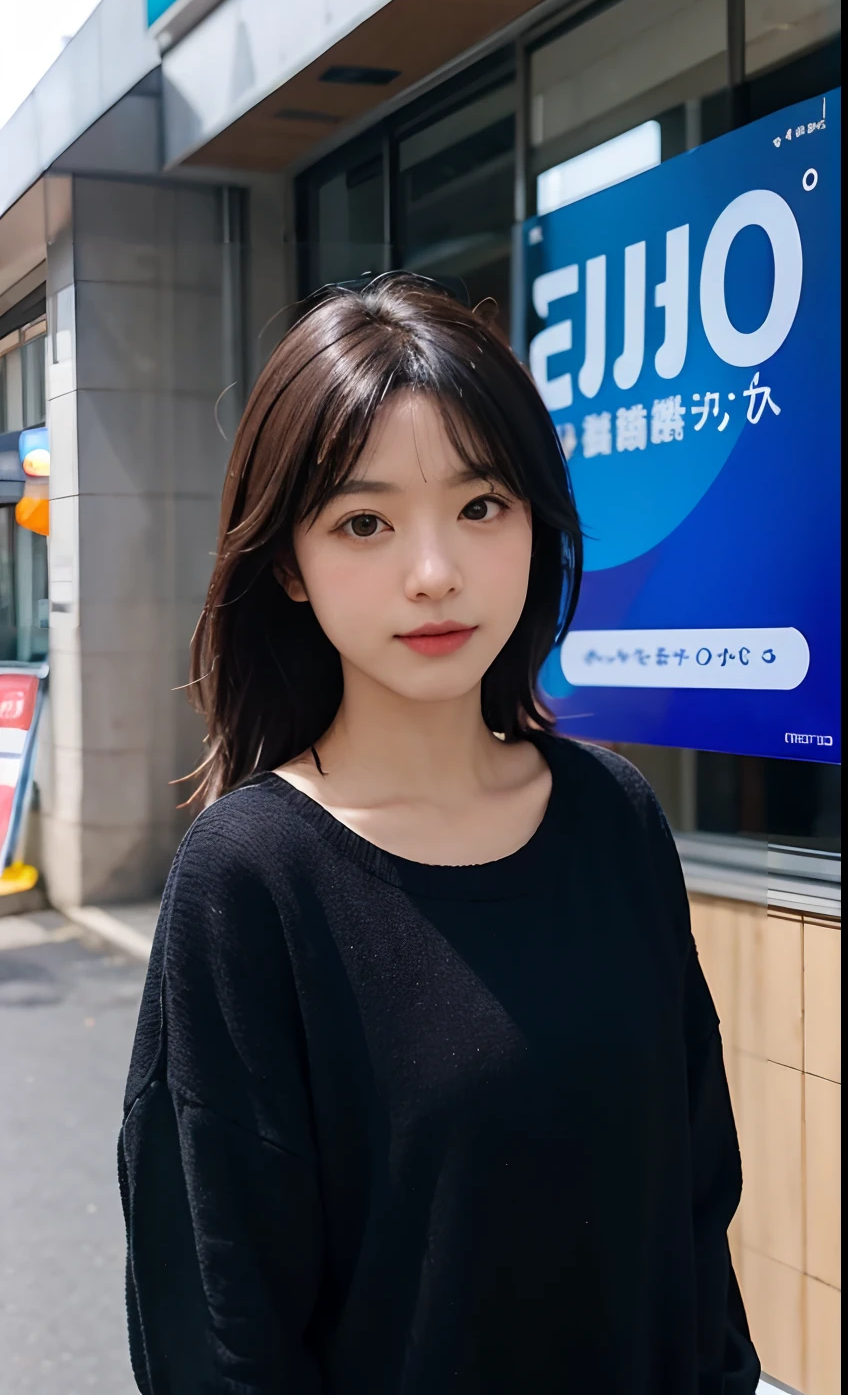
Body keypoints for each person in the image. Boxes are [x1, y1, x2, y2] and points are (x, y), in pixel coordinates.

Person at [119, 273, 760, 1394]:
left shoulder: (612, 818)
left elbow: (692, 1206)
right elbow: (220, 1330)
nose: (434, 573)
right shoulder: (252, 881)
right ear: (288, 564)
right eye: (363, 523)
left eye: (480, 506)